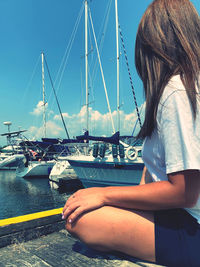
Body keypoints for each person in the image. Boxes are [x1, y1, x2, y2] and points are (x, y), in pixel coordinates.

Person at [62, 0, 200, 266]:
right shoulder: (188, 86)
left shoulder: (176, 91)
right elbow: (151, 173)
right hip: (180, 215)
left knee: (80, 220)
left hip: (191, 224)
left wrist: (104, 194)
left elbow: (186, 192)